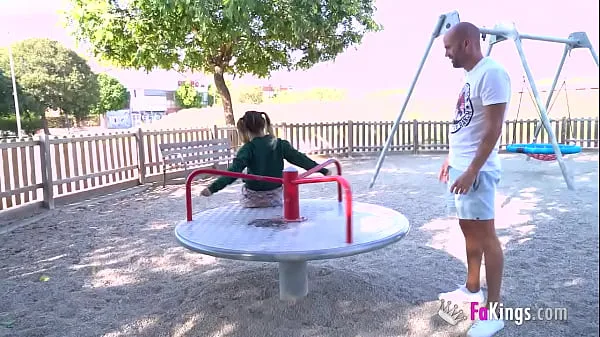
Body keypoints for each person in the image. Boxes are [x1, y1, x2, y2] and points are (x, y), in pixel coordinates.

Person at [437, 22, 511, 337]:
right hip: (462, 166)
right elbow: (467, 124)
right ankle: (471, 290)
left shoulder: (492, 73)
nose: (446, 54)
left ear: (467, 43)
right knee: (468, 230)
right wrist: (451, 161)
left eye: (449, 48)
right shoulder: (472, 76)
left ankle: (494, 312)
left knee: (487, 236)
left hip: (476, 172)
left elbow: (493, 128)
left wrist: (471, 171)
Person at [201, 110, 331, 207]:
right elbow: (301, 159)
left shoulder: (248, 148)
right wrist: (323, 170)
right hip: (276, 196)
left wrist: (212, 188)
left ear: (244, 130)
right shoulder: (279, 144)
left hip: (253, 199)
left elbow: (234, 172)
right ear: (264, 124)